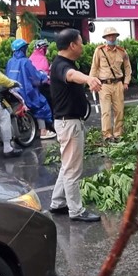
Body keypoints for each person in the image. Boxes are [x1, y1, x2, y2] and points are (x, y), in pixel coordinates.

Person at [47, 28, 103, 223]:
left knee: (67, 165)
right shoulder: (62, 65)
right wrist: (88, 78)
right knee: (73, 170)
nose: (82, 46)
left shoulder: (62, 62)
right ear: (72, 45)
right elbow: (71, 75)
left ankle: (57, 203)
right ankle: (76, 210)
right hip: (69, 123)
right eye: (81, 42)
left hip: (67, 122)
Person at [6, 39, 57, 140]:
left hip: (12, 92)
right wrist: (44, 77)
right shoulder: (26, 62)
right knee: (41, 104)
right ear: (23, 49)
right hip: (26, 92)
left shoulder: (10, 62)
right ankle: (43, 131)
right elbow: (35, 77)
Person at [90, 27, 132, 142]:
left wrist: (126, 82)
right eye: (109, 36)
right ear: (105, 38)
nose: (112, 38)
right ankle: (107, 135)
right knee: (106, 111)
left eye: (113, 35)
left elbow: (128, 68)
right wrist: (91, 82)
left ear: (116, 37)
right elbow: (94, 67)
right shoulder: (99, 51)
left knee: (119, 110)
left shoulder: (122, 51)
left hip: (118, 83)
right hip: (104, 85)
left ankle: (118, 134)